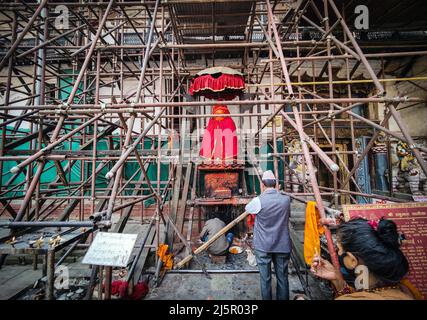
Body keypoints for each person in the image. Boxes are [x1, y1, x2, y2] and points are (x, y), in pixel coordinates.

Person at [310, 217, 415, 300]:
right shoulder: (406, 290)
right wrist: (338, 280)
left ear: (352, 261)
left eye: (340, 248)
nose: (339, 252)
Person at [245, 170, 292, 300]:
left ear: (262, 185)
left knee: (265, 279)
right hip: (282, 244)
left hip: (263, 246)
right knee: (282, 278)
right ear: (276, 184)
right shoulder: (286, 200)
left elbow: (247, 209)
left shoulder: (257, 201)